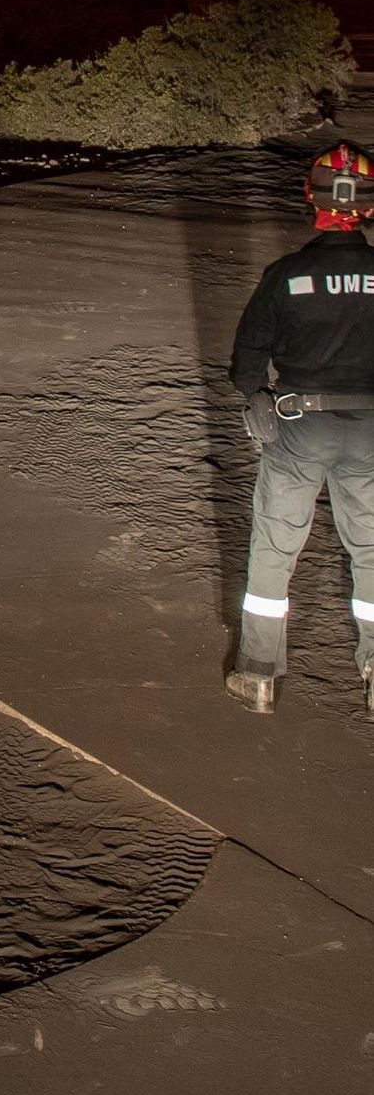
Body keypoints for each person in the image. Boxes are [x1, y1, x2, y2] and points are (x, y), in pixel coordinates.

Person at [225, 143, 374, 715]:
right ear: (367, 207)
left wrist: (255, 395)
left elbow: (246, 358)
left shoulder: (286, 276)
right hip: (369, 432)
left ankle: (259, 675)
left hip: (299, 428)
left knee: (274, 547)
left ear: (311, 200)